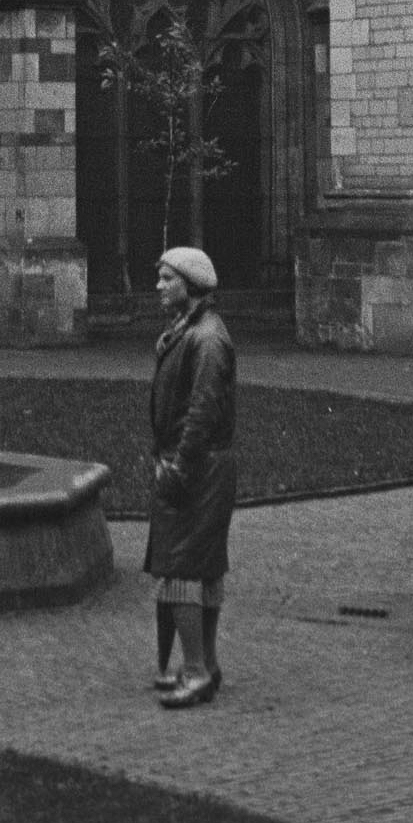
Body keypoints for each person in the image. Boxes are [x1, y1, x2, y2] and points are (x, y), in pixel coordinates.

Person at [144, 245, 236, 709]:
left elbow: (200, 411)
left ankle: (197, 670)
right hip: (202, 465)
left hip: (197, 467)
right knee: (202, 568)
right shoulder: (191, 330)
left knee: (181, 571)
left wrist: (179, 468)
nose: (158, 286)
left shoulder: (208, 340)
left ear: (192, 285)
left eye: (166, 279)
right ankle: (207, 663)